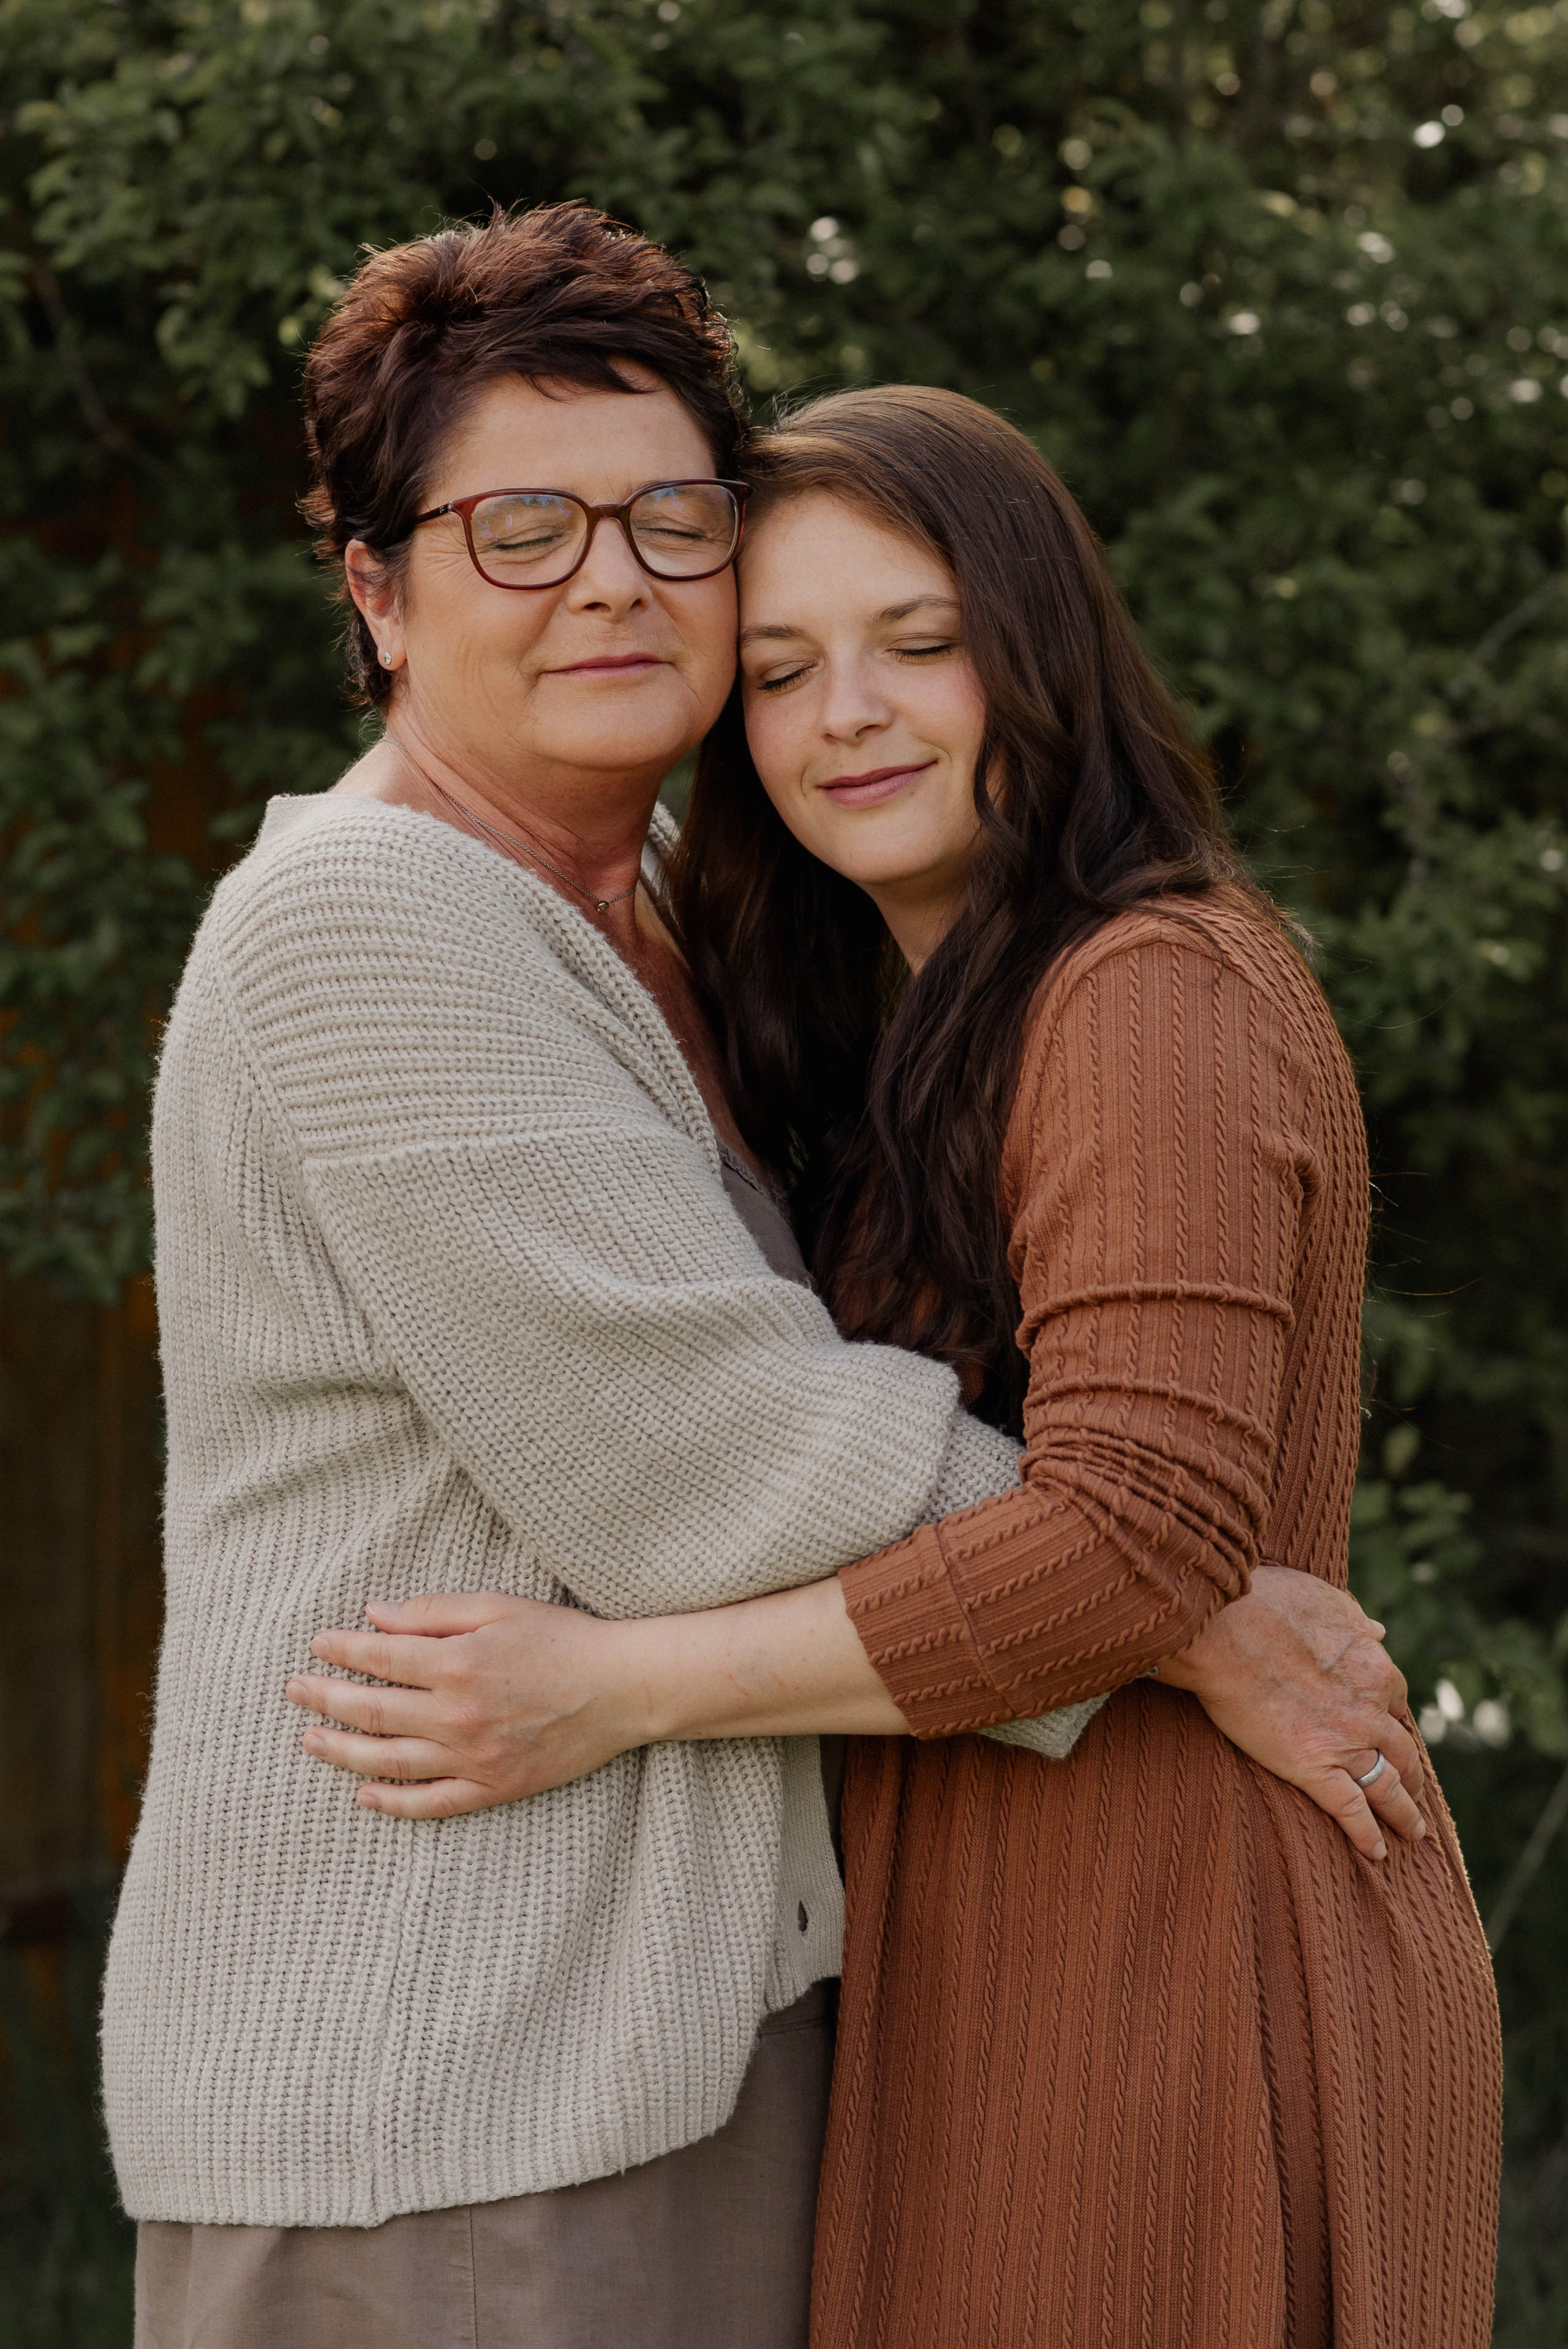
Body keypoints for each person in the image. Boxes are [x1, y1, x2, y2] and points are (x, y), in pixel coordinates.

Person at [110, 200, 1418, 2349]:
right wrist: (1179, 1603)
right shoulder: (373, 920)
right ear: (377, 591)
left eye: (668, 517)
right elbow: (714, 1456)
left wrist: (1136, 1567)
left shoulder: (675, 928)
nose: (613, 575)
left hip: (626, 2040)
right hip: (450, 2068)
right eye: (519, 526)